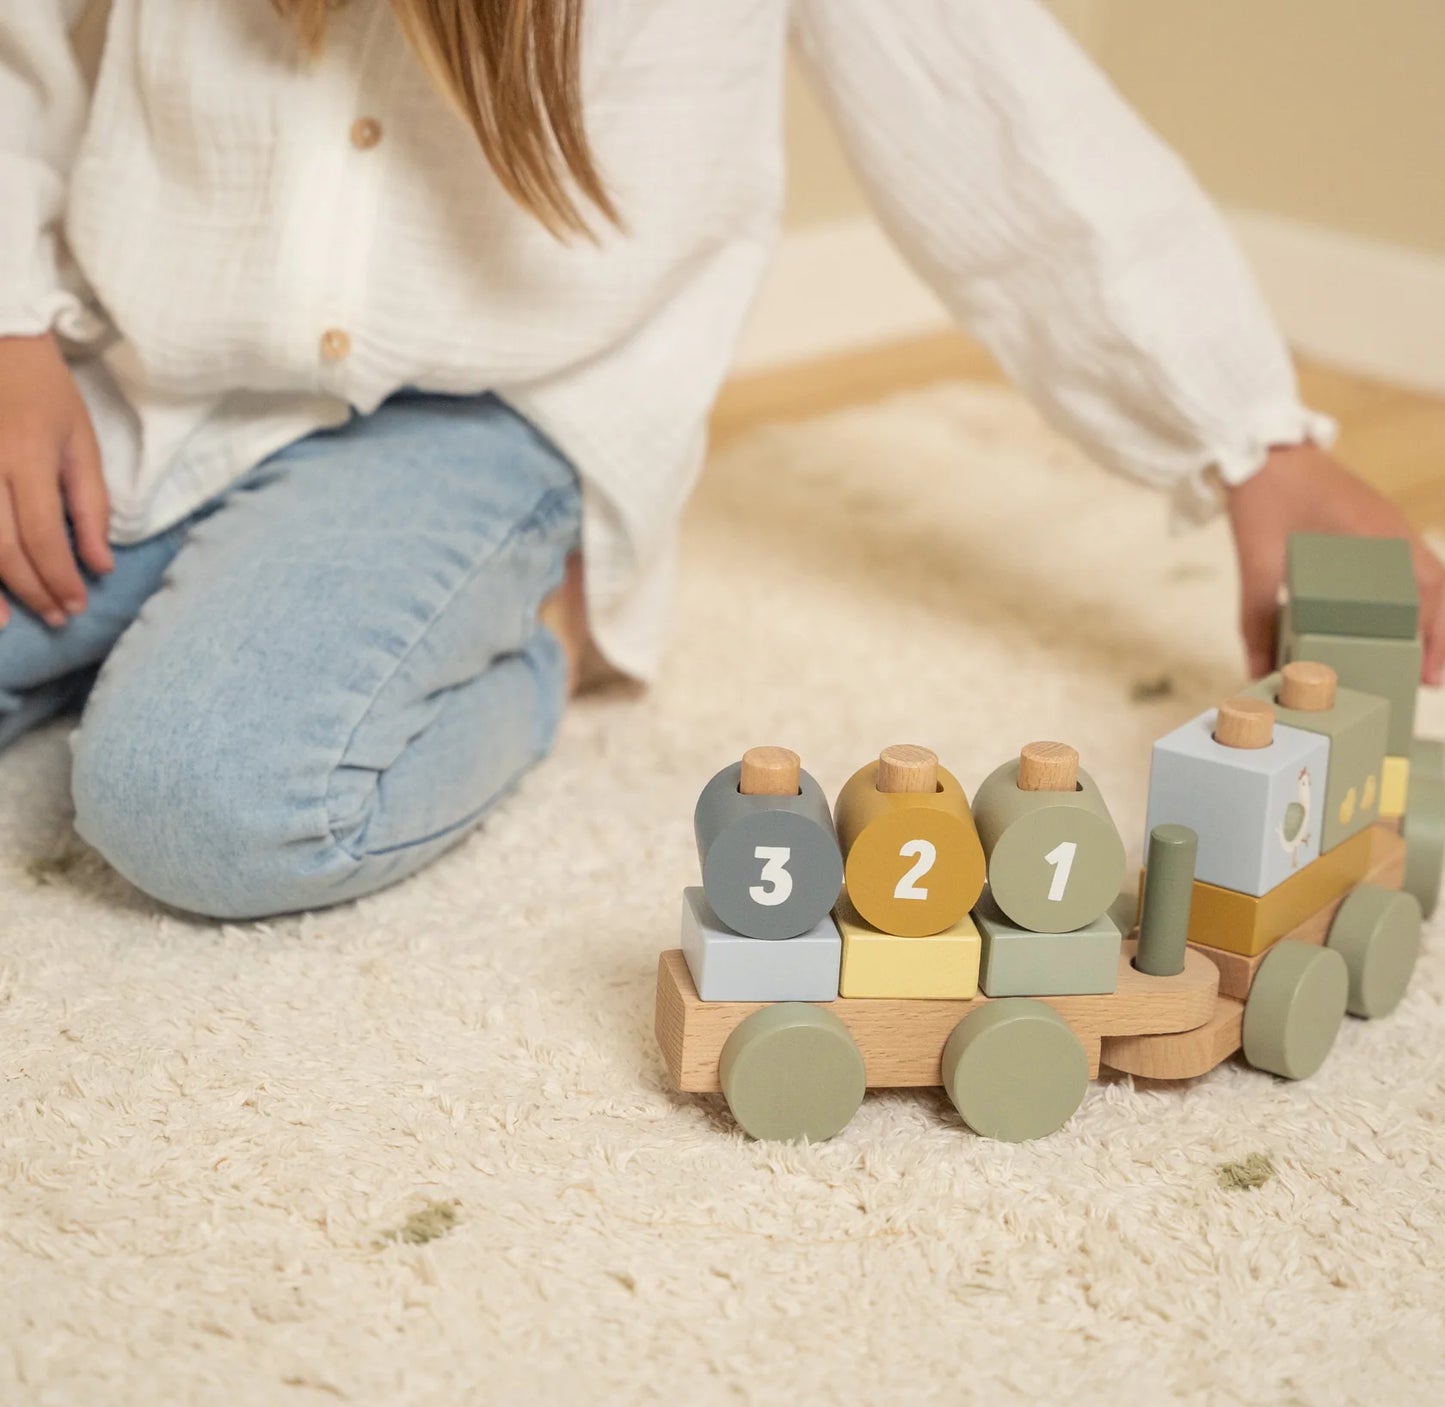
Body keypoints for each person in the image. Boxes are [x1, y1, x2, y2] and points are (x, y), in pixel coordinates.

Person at [0, 0, 1438, 919]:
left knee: (196, 790)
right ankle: (231, 584)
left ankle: (546, 630)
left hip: (486, 411)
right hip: (141, 376)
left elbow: (1000, 127)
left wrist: (1248, 443)